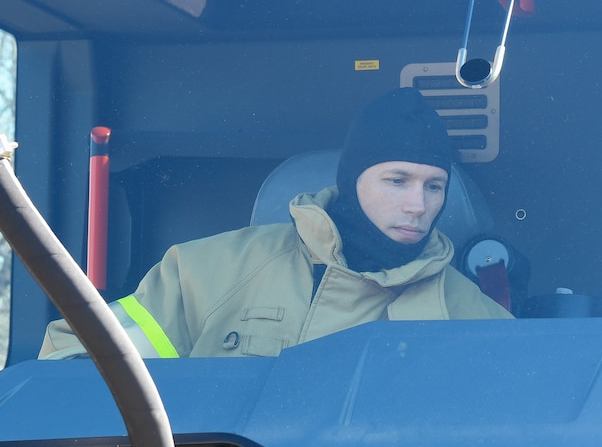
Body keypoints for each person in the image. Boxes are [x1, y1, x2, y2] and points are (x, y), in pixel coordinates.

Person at [41, 89, 508, 359]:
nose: (416, 205)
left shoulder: (474, 315)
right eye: (397, 180)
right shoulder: (207, 272)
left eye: (433, 186)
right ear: (352, 181)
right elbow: (77, 361)